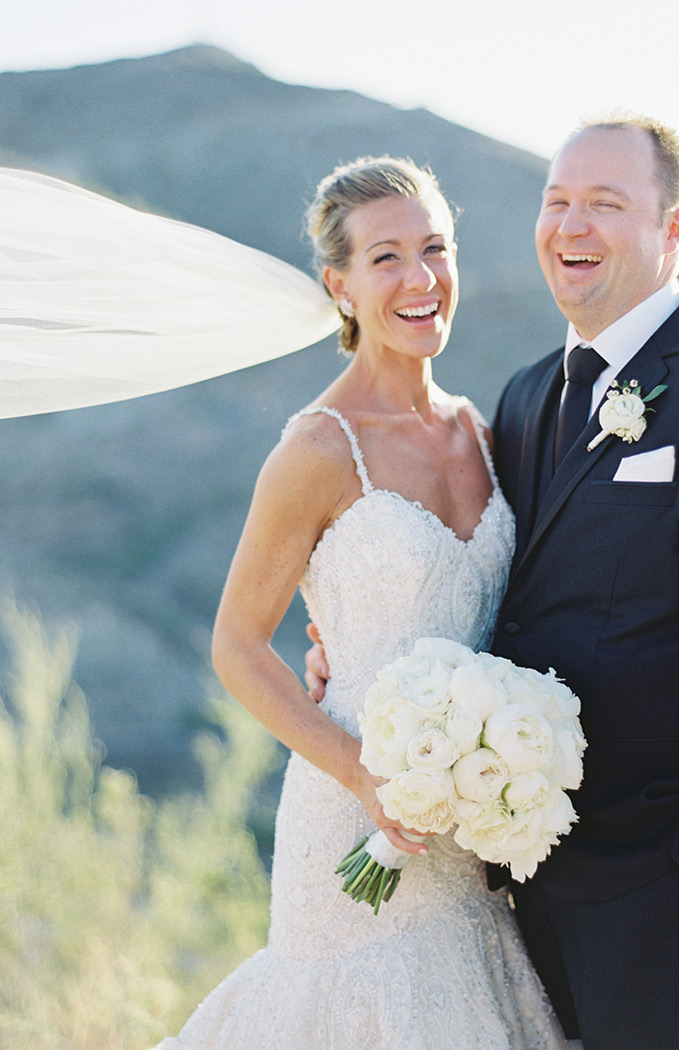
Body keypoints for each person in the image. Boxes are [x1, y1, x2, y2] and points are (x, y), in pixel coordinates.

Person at [308, 117, 679, 1049]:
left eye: (606, 203)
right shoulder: (522, 397)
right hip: (508, 886)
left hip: (655, 892)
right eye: (557, 202)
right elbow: (494, 584)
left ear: (673, 230)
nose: (571, 225)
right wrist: (355, 653)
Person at [150, 156, 571, 1049]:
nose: (420, 280)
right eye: (386, 259)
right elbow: (237, 645)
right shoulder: (316, 448)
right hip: (353, 820)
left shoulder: (485, 434)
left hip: (470, 825)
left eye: (435, 248)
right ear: (339, 287)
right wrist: (360, 772)